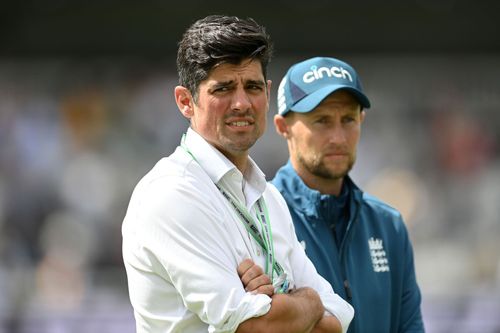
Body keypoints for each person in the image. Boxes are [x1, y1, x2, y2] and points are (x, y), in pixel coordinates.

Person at [122, 16, 354, 333]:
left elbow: (338, 317)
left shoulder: (268, 197)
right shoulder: (171, 193)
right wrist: (308, 304)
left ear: (268, 93)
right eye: (224, 88)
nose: (242, 103)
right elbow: (256, 328)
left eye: (253, 87)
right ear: (185, 101)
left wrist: (279, 307)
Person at [272, 56, 424, 333]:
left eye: (348, 119)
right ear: (283, 127)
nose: (339, 137)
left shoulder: (388, 224)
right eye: (322, 121)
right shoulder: (259, 218)